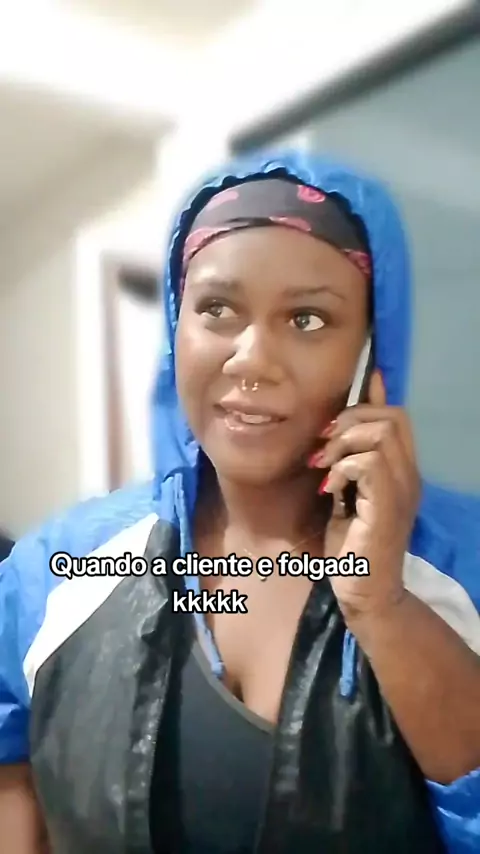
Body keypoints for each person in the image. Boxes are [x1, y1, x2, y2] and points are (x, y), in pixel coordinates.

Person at [0, 151, 479, 854]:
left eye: (308, 319)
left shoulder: (462, 564)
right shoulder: (57, 569)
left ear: (371, 352)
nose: (251, 358)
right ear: (176, 327)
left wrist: (382, 605)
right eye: (217, 309)